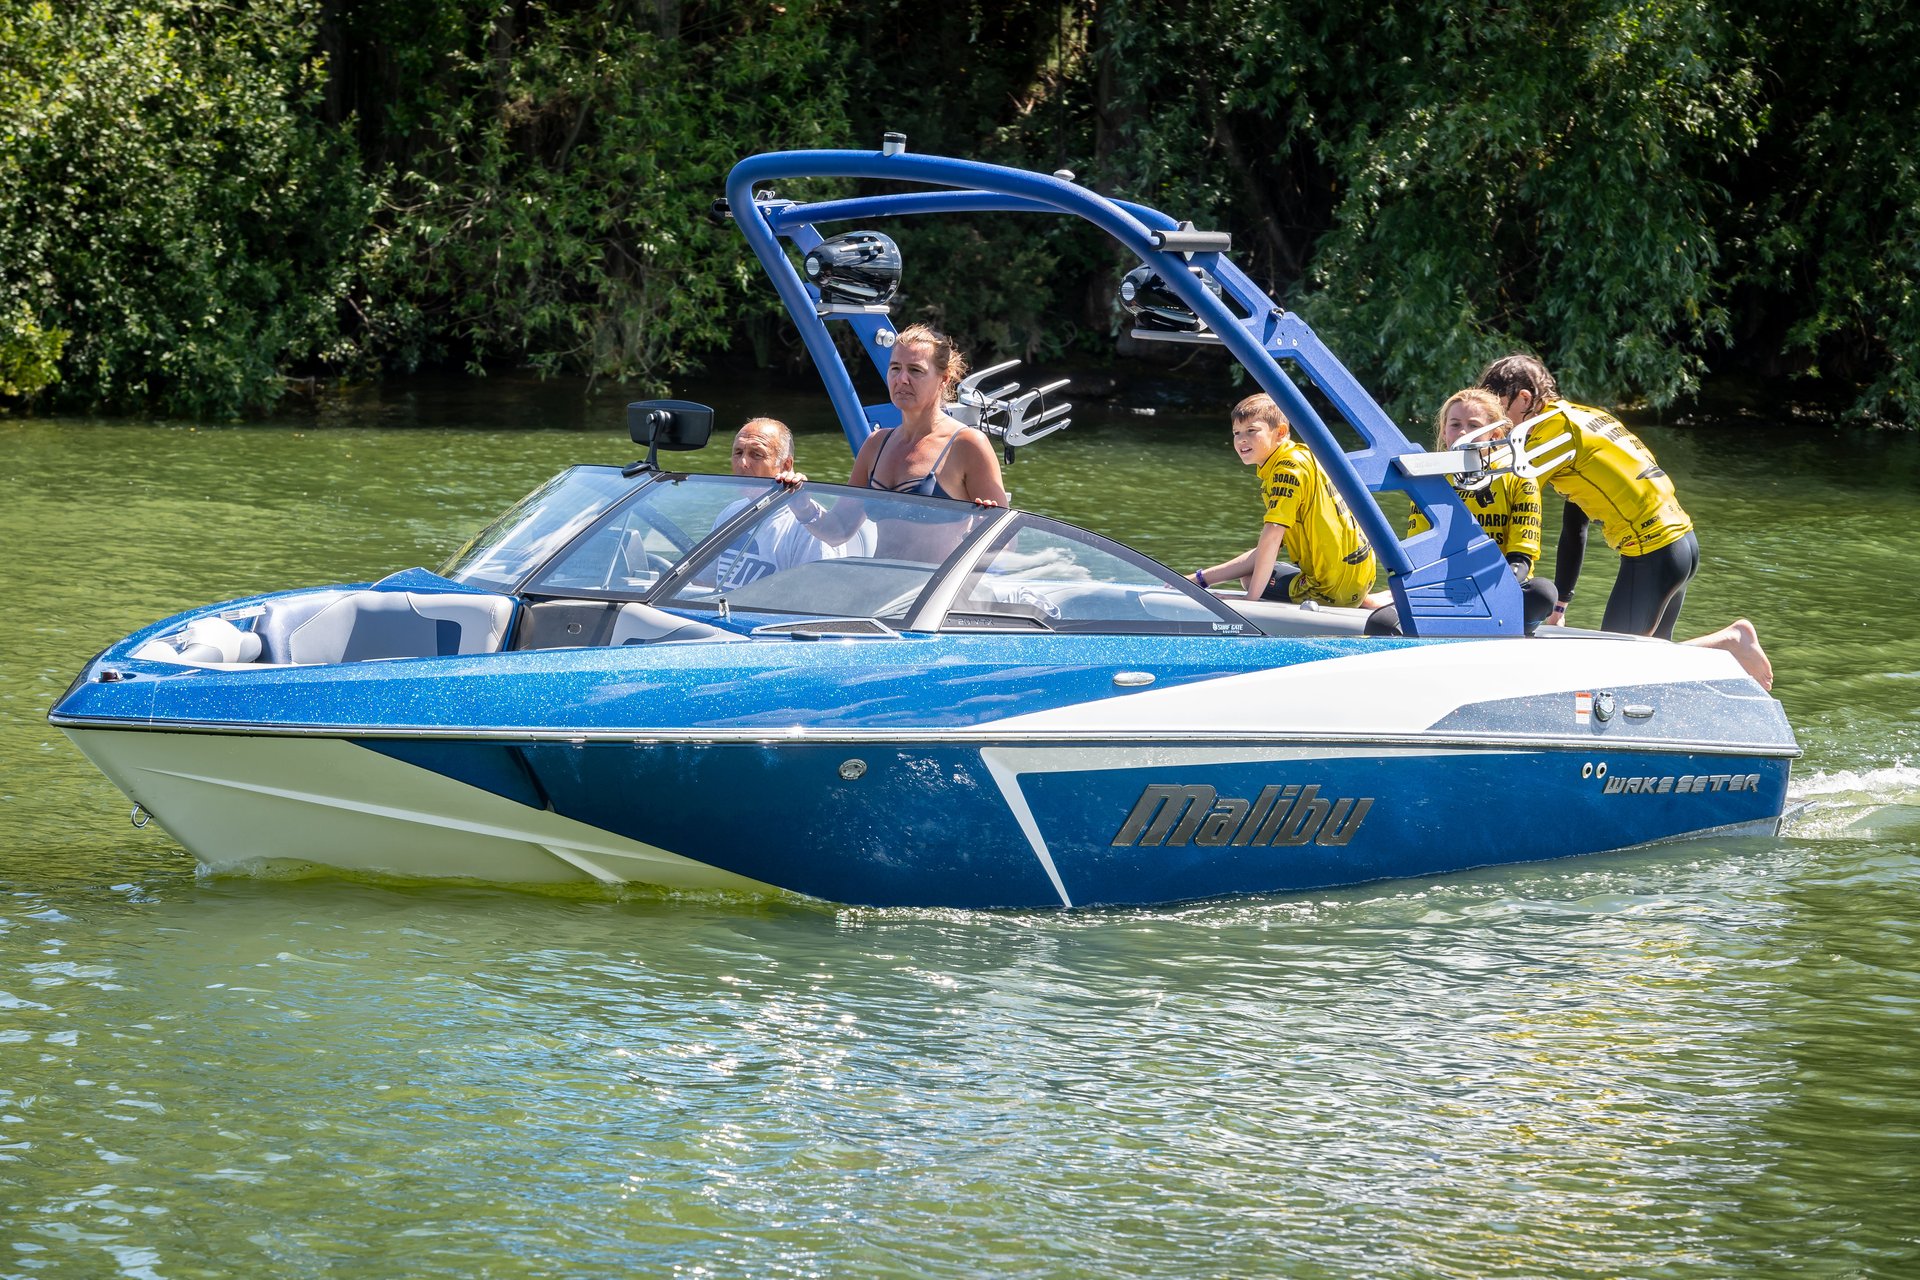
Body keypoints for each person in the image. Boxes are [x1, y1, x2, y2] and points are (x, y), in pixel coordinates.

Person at [1478, 354, 1772, 688]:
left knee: (1614, 669)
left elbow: (1509, 495)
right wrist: (1560, 605)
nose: (1499, 424)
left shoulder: (1548, 431)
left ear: (1525, 398)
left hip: (1655, 551)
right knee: (1650, 667)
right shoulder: (1582, 417)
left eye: (1501, 410)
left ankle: (1730, 644)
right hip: (1681, 545)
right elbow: (1576, 524)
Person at [796, 323, 1007, 562]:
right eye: (895, 368)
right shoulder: (876, 444)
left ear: (943, 379)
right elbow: (839, 530)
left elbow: (1008, 544)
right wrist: (801, 504)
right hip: (880, 587)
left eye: (915, 370)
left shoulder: (967, 444)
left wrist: (980, 531)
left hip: (933, 593)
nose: (902, 379)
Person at [1191, 393, 1379, 608]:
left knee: (1250, 579)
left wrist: (1249, 602)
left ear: (1280, 432)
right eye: (1236, 432)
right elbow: (1267, 547)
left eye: (1251, 431)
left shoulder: (1285, 471)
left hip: (1328, 589)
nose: (1242, 439)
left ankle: (1351, 600)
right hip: (1361, 576)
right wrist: (1200, 579)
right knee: (1262, 566)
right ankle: (1368, 602)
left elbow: (1271, 538)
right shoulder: (1303, 455)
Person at [1405, 388, 1558, 632]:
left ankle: (1515, 629)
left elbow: (1521, 560)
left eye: (1473, 426)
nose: (1463, 432)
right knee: (1382, 623)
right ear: (1444, 432)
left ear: (1495, 434)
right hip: (1445, 588)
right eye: (1455, 425)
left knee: (1543, 593)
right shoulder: (1430, 481)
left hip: (1502, 586)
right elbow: (1418, 556)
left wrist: (1485, 597)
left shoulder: (1519, 478)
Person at [711, 417, 871, 589]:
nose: (742, 463)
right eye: (738, 453)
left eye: (756, 454)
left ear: (786, 465)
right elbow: (704, 581)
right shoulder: (730, 513)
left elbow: (818, 598)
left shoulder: (807, 527)